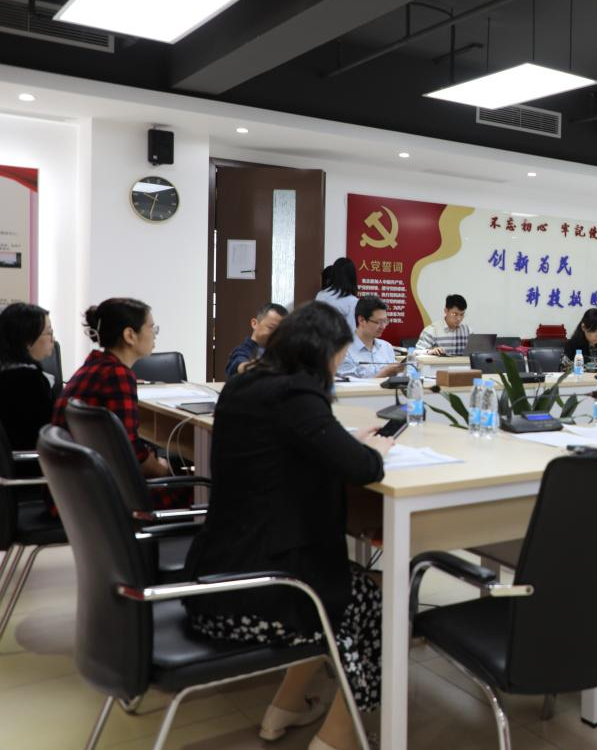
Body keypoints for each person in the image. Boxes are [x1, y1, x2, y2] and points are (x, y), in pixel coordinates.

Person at [184, 301, 394, 750]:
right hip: (259, 593)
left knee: (343, 589)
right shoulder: (297, 395)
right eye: (339, 356)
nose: (338, 366)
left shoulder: (247, 384)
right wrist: (374, 451)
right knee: (373, 600)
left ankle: (286, 707)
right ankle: (338, 738)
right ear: (322, 353)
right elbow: (363, 468)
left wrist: (338, 441)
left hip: (215, 575)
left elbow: (288, 444)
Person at [51, 299, 171, 480]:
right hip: (104, 489)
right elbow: (131, 453)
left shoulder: (95, 366)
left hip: (75, 486)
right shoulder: (117, 374)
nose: (154, 334)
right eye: (151, 328)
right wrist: (164, 471)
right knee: (198, 489)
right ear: (130, 335)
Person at [0, 303, 57, 487]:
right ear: (26, 340)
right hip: (30, 472)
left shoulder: (8, 373)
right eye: (48, 333)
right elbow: (46, 435)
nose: (53, 339)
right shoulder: (28, 381)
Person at [338, 296, 402, 379]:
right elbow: (348, 385)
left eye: (385, 321)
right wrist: (382, 374)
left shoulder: (386, 347)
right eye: (379, 322)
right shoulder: (343, 350)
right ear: (361, 320)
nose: (383, 327)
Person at [224, 302, 288, 377]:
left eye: (280, 330)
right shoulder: (243, 350)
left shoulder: (279, 351)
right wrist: (251, 366)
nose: (276, 334)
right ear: (254, 323)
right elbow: (237, 364)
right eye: (271, 328)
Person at [314, 258, 358, 333]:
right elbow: (352, 330)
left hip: (320, 337)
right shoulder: (352, 301)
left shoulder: (321, 295)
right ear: (352, 276)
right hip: (340, 339)